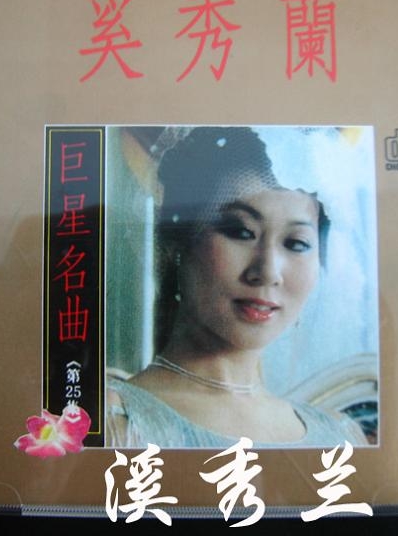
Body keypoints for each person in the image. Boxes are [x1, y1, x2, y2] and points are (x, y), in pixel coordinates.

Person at [106, 126, 368, 448]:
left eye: (296, 243)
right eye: (241, 232)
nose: (268, 271)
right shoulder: (115, 423)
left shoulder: (341, 436)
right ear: (178, 242)